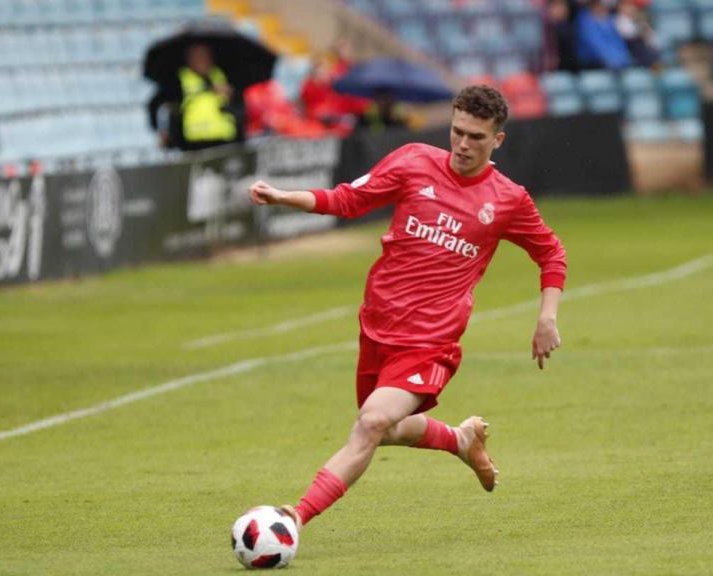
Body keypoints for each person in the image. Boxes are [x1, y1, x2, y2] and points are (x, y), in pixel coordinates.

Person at [248, 85, 567, 530]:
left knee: (372, 422)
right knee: (387, 428)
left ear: (497, 140)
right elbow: (347, 199)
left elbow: (551, 253)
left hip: (430, 342)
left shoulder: (508, 199)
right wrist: (284, 196)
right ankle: (460, 439)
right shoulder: (414, 161)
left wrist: (546, 317)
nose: (462, 144)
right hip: (377, 327)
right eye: (457, 132)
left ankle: (291, 520)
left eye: (476, 137)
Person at [149, 42, 238, 151]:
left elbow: (239, 106)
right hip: (193, 144)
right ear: (188, 59)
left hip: (225, 140)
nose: (202, 60)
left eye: (205, 56)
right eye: (197, 56)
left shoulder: (224, 76)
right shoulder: (177, 81)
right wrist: (161, 131)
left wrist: (232, 95)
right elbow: (156, 104)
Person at [575, 0, 633, 70]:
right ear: (594, 5)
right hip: (592, 63)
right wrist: (613, 60)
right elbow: (595, 45)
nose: (604, 8)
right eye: (601, 5)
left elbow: (618, 43)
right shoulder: (584, 21)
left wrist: (623, 59)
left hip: (614, 64)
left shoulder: (610, 20)